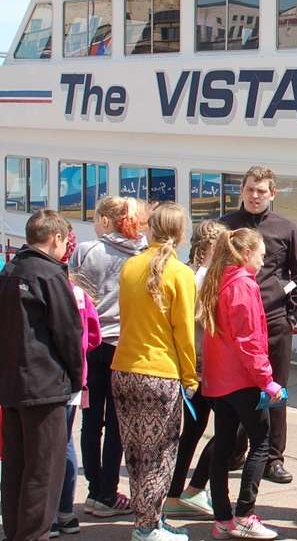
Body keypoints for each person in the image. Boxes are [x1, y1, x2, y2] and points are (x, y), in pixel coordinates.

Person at [112, 202, 199, 541]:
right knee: (160, 453)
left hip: (124, 368)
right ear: (180, 234)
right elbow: (184, 334)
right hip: (160, 373)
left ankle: (149, 518)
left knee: (135, 452)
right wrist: (190, 378)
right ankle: (147, 526)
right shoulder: (180, 274)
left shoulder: (131, 266)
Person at [221, 165, 297, 485]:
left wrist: (290, 316)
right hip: (234, 326)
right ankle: (234, 450)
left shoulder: (285, 229)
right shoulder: (225, 227)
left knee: (276, 392)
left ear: (272, 194)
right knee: (236, 391)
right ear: (241, 191)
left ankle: (273, 457)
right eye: (249, 190)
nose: (255, 196)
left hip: (274, 322)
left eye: (261, 191)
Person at [1, 210, 84, 541]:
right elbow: (68, 333)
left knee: (17, 465)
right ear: (57, 239)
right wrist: (76, 378)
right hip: (45, 385)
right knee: (43, 470)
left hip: (12, 384)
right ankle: (32, 534)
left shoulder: (10, 270)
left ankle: (17, 531)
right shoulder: (50, 275)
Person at [199, 228, 282, 541]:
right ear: (246, 254)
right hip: (243, 380)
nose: (262, 262)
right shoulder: (243, 285)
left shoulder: (218, 280)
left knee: (222, 445)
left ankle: (223, 518)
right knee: (261, 443)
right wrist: (267, 381)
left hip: (220, 380)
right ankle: (244, 514)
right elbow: (249, 341)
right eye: (260, 255)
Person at [68, 196, 148, 518]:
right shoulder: (142, 255)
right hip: (122, 345)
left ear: (105, 220)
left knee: (91, 421)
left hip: (89, 343)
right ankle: (108, 493)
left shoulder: (88, 250)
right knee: (117, 423)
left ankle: (93, 492)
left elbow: (75, 293)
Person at [164, 220, 227, 519]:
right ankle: (194, 487)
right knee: (234, 429)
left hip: (189, 365)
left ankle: (176, 493)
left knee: (193, 430)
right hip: (205, 366)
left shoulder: (186, 273)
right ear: (214, 247)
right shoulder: (203, 278)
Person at [54, 231, 103, 537]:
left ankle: (45, 513)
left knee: (42, 447)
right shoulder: (79, 294)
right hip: (75, 379)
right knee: (66, 444)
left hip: (48, 379)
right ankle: (64, 512)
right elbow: (94, 336)